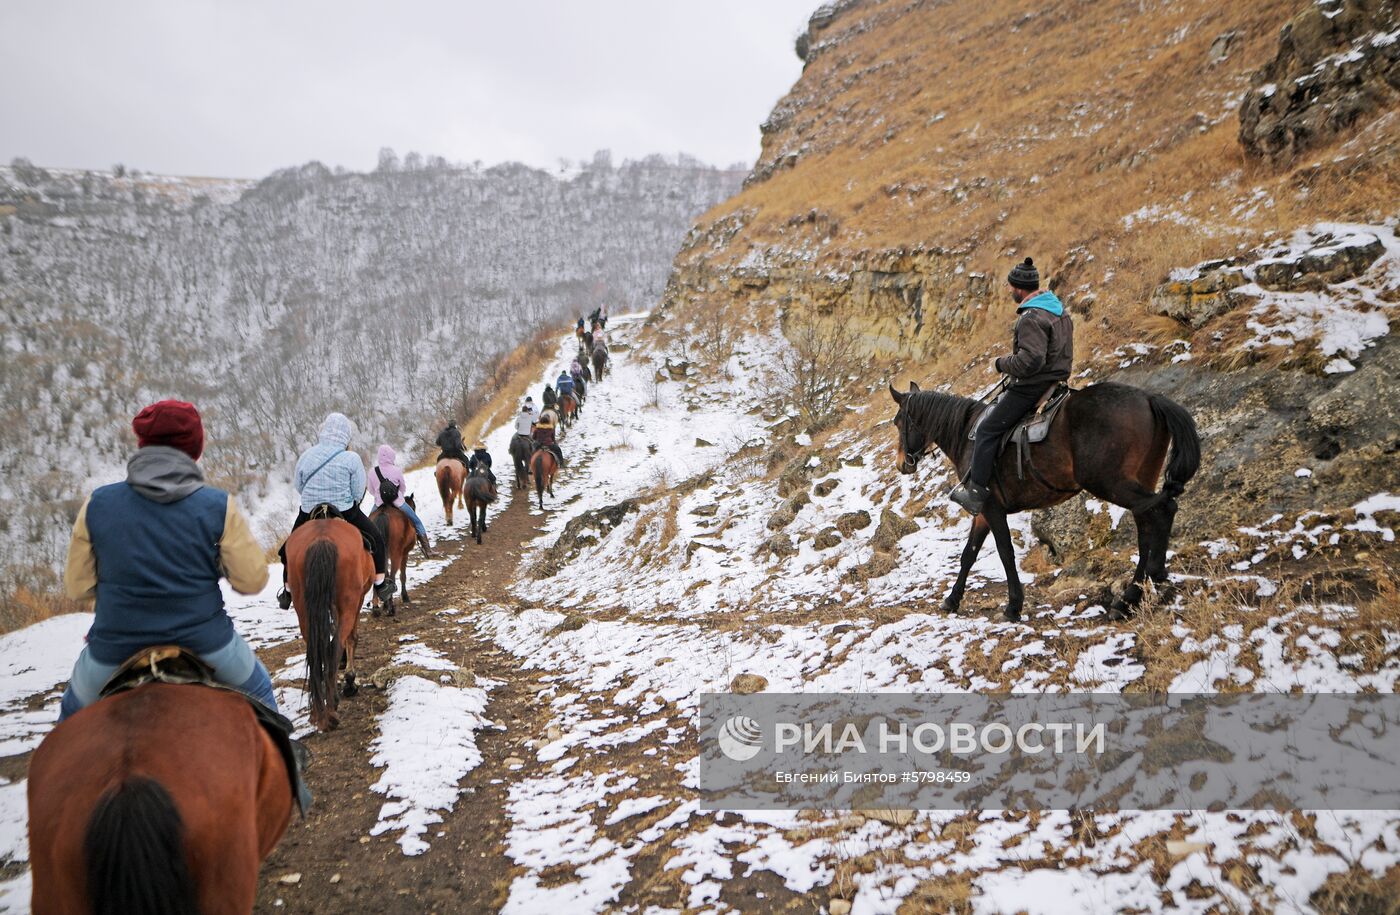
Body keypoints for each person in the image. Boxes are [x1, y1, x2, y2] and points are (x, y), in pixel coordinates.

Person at [59, 400, 279, 719]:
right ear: (196, 449)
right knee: (261, 694)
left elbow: (77, 587)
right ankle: (291, 769)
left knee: (70, 719)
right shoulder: (217, 505)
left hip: (115, 645)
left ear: (142, 446)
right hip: (206, 642)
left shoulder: (97, 504)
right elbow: (252, 580)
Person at [950, 258, 1074, 515]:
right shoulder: (1057, 310)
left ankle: (975, 493)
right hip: (1056, 381)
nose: (1009, 291)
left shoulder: (1030, 317)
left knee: (986, 429)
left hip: (1032, 386)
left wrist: (1001, 364)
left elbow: (1031, 360)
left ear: (1020, 288)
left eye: (1011, 287)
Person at [277, 413, 393, 609]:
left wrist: (313, 497)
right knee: (376, 539)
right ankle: (381, 585)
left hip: (309, 510)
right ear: (346, 436)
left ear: (323, 431)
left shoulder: (306, 455)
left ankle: (288, 591)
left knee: (287, 549)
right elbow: (358, 490)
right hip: (344, 509)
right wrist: (349, 501)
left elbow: (299, 485)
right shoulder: (351, 457)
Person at [370, 445, 433, 557]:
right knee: (417, 521)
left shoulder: (372, 472)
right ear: (391, 456)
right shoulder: (397, 470)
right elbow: (403, 487)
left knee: (368, 525)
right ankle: (427, 550)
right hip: (397, 502)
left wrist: (378, 496)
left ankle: (369, 549)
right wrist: (399, 496)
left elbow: (371, 490)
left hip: (379, 503)